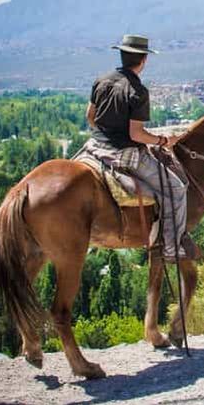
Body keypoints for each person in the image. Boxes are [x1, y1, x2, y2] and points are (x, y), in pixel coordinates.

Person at [82, 34, 194, 259]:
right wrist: (164, 141)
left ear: (122, 56)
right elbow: (136, 134)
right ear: (143, 60)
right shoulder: (138, 91)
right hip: (123, 153)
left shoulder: (101, 80)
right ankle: (171, 248)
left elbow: (90, 117)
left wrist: (107, 132)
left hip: (94, 146)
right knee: (176, 189)